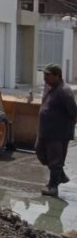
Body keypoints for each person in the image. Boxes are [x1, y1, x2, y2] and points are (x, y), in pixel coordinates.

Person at [36, 63, 77, 197]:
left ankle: (53, 187)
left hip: (58, 134)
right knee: (40, 152)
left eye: (47, 75)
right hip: (45, 131)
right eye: (44, 75)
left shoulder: (65, 92)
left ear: (57, 76)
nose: (44, 78)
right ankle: (59, 174)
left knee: (55, 160)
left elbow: (74, 113)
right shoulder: (49, 88)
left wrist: (66, 130)